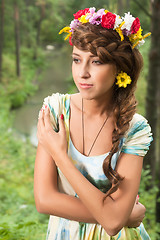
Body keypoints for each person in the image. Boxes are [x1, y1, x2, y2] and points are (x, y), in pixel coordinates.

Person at [34, 7, 153, 240]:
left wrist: (60, 157)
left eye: (96, 62)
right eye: (77, 60)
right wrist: (119, 214)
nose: (82, 73)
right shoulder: (56, 111)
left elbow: (112, 224)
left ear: (120, 68)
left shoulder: (135, 129)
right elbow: (44, 199)